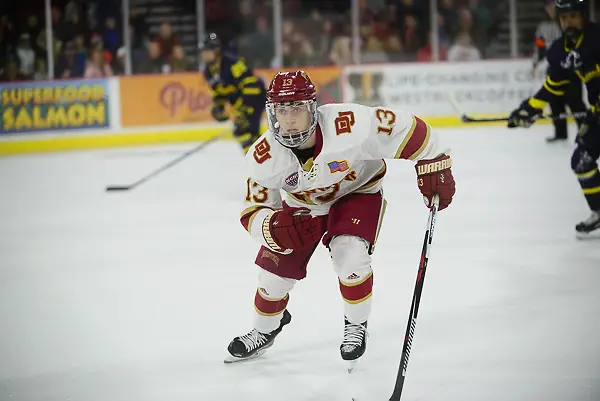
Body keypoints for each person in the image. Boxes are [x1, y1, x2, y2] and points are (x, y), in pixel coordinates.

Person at [225, 70, 456, 368]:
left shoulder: (349, 125)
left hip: (357, 192)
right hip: (303, 207)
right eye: (282, 110)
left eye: (296, 108)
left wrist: (433, 161)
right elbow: (252, 210)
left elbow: (407, 128)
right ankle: (265, 329)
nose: (290, 118)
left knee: (350, 255)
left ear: (312, 107)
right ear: (272, 113)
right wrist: (271, 227)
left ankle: (356, 325)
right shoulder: (264, 155)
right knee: (273, 277)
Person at [508, 0, 600, 236]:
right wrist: (528, 109)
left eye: (573, 17)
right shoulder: (560, 50)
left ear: (583, 17)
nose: (569, 22)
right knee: (581, 161)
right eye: (564, 18)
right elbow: (553, 87)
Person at [199, 32, 266, 154]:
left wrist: (245, 108)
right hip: (239, 101)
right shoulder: (208, 72)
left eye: (207, 51)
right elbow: (219, 92)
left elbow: (250, 84)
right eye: (203, 51)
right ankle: (257, 159)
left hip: (256, 97)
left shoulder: (232, 63)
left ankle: (257, 159)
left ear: (216, 50)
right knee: (245, 132)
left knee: (244, 130)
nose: (204, 54)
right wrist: (218, 107)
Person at [531, 0, 587, 142]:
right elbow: (540, 46)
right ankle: (560, 133)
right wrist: (535, 63)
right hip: (554, 66)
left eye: (552, 6)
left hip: (571, 66)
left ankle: (586, 132)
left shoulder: (570, 22)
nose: (550, 10)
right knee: (555, 101)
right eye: (547, 7)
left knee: (575, 101)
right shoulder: (543, 27)